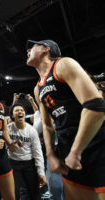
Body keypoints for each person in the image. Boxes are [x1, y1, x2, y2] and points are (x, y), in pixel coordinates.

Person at [27, 39, 105, 199]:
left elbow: (95, 106)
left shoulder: (62, 65)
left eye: (32, 46)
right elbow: (48, 126)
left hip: (91, 139)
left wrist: (76, 152)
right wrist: (50, 154)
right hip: (65, 142)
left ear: (45, 50)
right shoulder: (37, 88)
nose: (28, 50)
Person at [7, 103, 47, 200]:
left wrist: (41, 172)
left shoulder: (32, 130)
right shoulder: (8, 129)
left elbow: (37, 152)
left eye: (22, 110)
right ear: (12, 115)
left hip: (29, 163)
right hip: (12, 163)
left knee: (35, 194)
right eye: (17, 110)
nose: (20, 112)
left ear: (25, 114)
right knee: (15, 192)